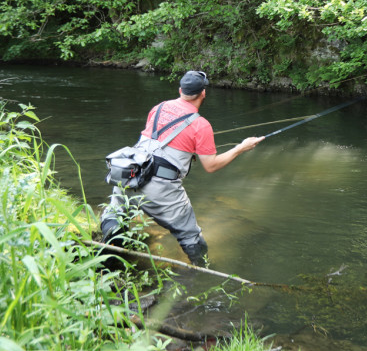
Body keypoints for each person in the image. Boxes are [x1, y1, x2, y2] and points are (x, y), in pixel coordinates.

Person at [100, 70, 264, 266]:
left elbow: (157, 143)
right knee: (190, 236)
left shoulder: (159, 107)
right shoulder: (201, 125)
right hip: (161, 187)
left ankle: (107, 263)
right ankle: (202, 275)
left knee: (114, 214)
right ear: (203, 93)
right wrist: (241, 148)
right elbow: (211, 166)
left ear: (180, 90)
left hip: (130, 173)